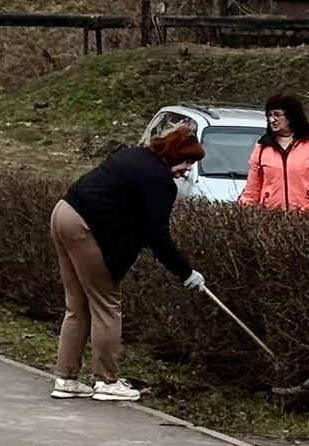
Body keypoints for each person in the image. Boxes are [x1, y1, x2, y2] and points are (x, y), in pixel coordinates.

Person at [49, 124, 208, 402]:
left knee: (77, 305)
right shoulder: (159, 180)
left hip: (63, 213)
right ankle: (106, 381)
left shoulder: (135, 156)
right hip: (85, 227)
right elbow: (157, 234)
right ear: (174, 156)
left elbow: (137, 222)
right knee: (106, 304)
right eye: (187, 162)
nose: (187, 170)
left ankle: (66, 378)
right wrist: (186, 273)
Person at [239, 90, 309, 216]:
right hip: (272, 220)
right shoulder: (262, 147)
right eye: (269, 115)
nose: (272, 120)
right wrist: (241, 214)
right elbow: (252, 189)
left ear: (291, 115)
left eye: (277, 114)